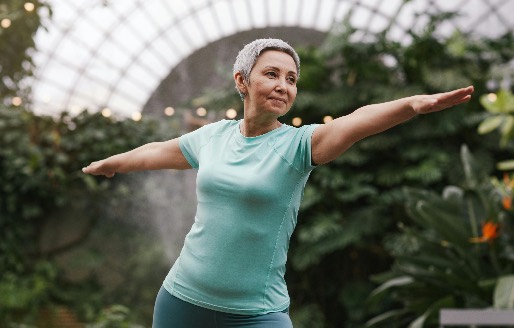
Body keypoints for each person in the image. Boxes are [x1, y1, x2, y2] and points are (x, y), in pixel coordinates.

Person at [82, 38, 474, 327]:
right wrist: (112, 162)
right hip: (181, 302)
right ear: (243, 80)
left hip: (258, 314)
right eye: (271, 74)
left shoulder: (300, 145)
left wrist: (410, 105)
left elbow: (357, 120)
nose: (284, 86)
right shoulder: (212, 136)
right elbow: (155, 152)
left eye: (291, 78)